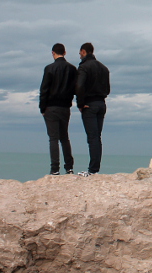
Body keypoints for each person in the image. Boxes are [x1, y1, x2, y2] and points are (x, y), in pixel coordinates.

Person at [39, 43, 78, 175]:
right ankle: (69, 167)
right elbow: (75, 89)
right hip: (65, 107)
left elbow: (44, 89)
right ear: (65, 52)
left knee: (53, 138)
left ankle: (55, 169)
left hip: (51, 107)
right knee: (64, 137)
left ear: (53, 53)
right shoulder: (72, 69)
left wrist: (42, 108)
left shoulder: (49, 68)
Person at [75, 42, 110, 177]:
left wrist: (80, 103)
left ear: (83, 51)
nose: (79, 55)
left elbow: (79, 86)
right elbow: (107, 89)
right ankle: (95, 168)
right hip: (101, 103)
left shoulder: (84, 67)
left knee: (92, 138)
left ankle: (93, 170)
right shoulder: (104, 68)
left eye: (80, 53)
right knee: (97, 137)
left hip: (89, 104)